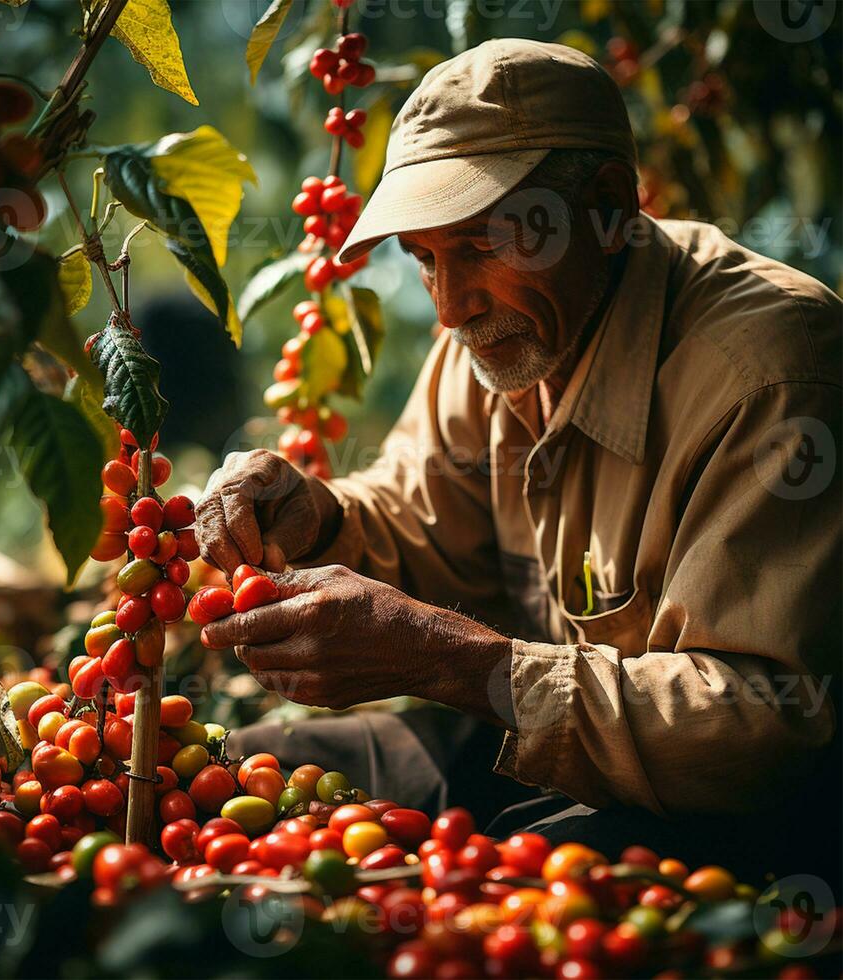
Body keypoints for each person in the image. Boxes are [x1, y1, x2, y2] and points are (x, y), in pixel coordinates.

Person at [194, 40, 841, 882]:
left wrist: (460, 663)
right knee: (227, 774)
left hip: (751, 810)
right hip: (541, 742)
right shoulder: (501, 333)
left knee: (488, 882)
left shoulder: (772, 377)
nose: (450, 305)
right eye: (423, 259)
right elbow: (421, 515)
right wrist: (323, 514)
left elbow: (765, 728)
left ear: (608, 208)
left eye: (483, 245)